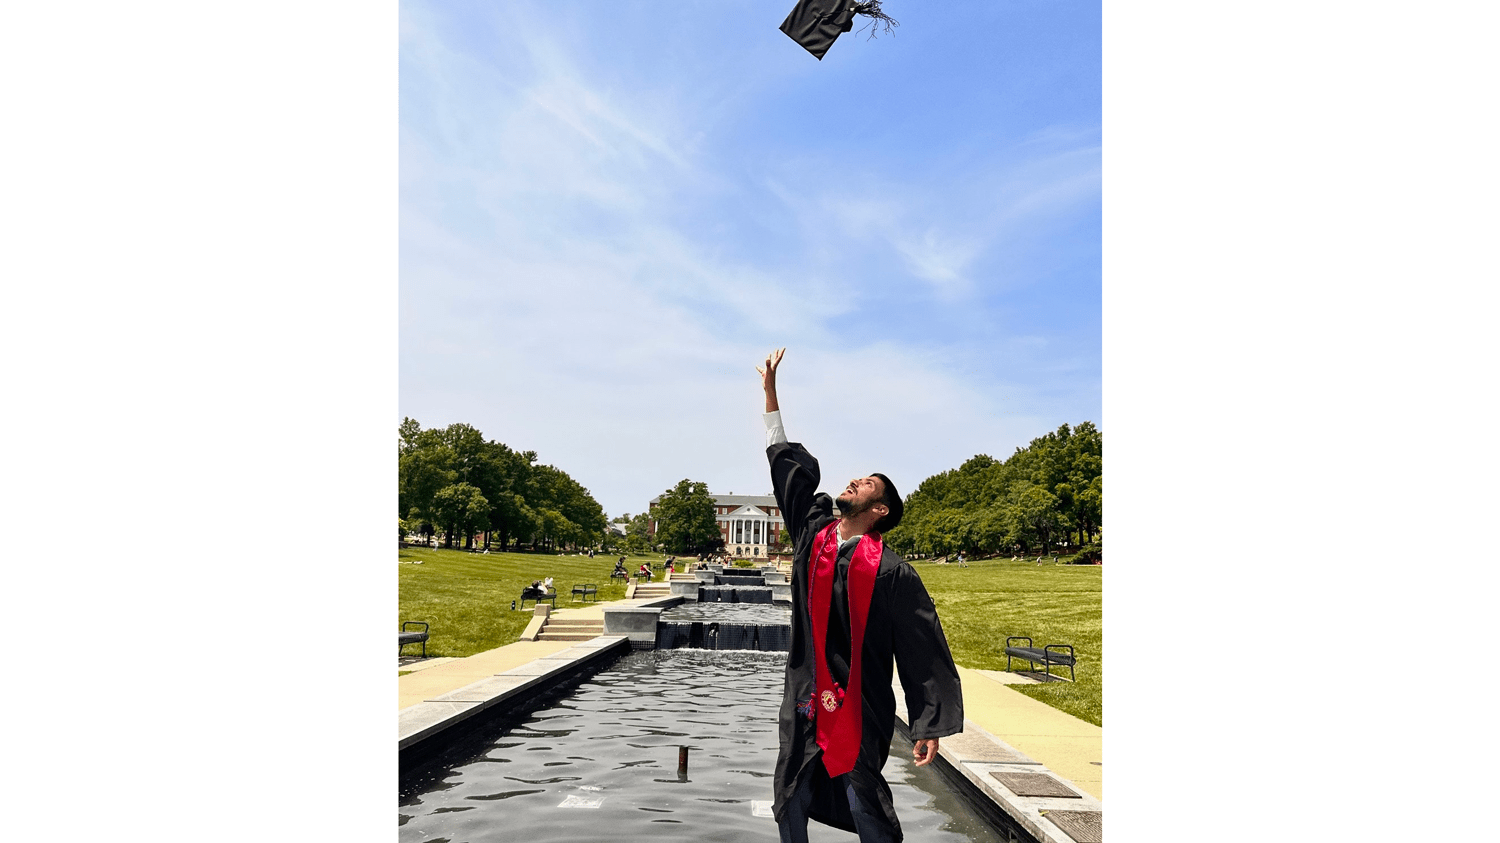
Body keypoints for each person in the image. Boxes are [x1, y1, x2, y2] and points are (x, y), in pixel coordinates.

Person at [757, 348, 963, 843]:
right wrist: (771, 396)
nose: (854, 481)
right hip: (805, 691)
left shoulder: (891, 572)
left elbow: (921, 644)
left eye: (867, 483)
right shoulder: (813, 535)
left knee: (863, 799)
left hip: (859, 703)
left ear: (881, 510)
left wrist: (927, 722)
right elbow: (787, 474)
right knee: (790, 795)